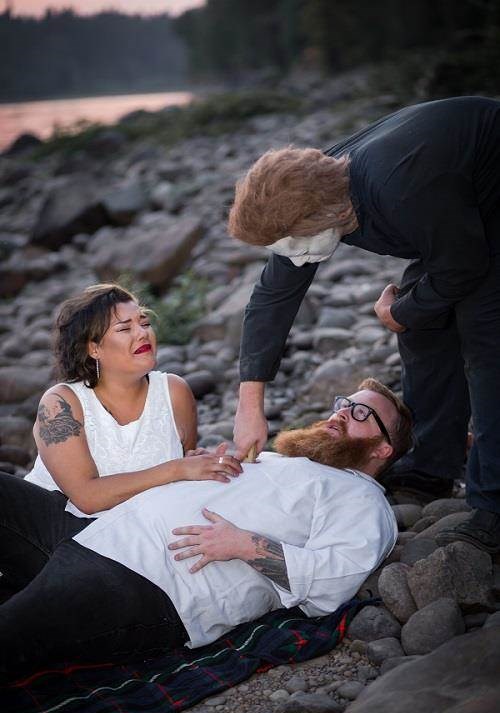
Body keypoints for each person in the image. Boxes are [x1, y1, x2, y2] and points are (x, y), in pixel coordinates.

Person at [228, 95, 500, 554]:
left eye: (290, 242)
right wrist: (249, 402)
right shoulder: (310, 191)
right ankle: (431, 467)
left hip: (488, 191)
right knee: (424, 330)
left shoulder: (401, 191)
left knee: (485, 343)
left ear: (329, 217)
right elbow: (272, 297)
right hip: (451, 207)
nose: (290, 255)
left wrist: (402, 311)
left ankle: (493, 510)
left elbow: (465, 265)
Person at [0, 379, 412, 677]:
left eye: (362, 414)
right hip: (91, 529)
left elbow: (332, 581)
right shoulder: (279, 461)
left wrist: (246, 546)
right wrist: (195, 471)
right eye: (344, 403)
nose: (342, 412)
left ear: (382, 449)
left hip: (141, 581)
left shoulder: (364, 500)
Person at [0, 282, 242, 604]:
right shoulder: (61, 402)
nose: (142, 334)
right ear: (93, 348)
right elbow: (86, 497)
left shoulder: (175, 392)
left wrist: (205, 467)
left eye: (144, 323)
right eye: (124, 328)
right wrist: (177, 469)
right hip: (54, 535)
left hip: (132, 546)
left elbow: (181, 476)